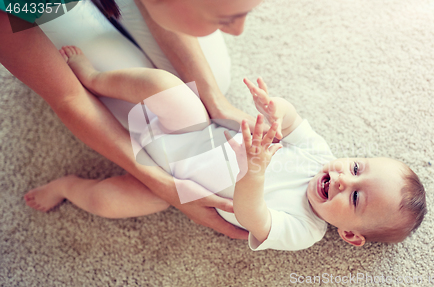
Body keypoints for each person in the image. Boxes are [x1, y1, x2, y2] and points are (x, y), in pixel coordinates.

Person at [25, 46, 427, 250]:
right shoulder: (318, 156)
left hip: (178, 191)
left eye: (356, 197)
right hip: (194, 137)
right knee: (169, 89)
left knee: (113, 202)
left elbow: (254, 216)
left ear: (350, 234)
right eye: (356, 167)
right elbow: (291, 122)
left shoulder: (306, 229)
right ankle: (95, 78)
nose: (341, 179)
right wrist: (274, 111)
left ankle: (68, 186)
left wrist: (253, 171)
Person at [0, 0, 264, 239]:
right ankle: (68, 187)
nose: (238, 31)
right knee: (159, 99)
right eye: (227, 20)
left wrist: (217, 102)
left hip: (183, 138)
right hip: (32, 8)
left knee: (211, 82)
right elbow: (68, 98)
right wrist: (163, 186)